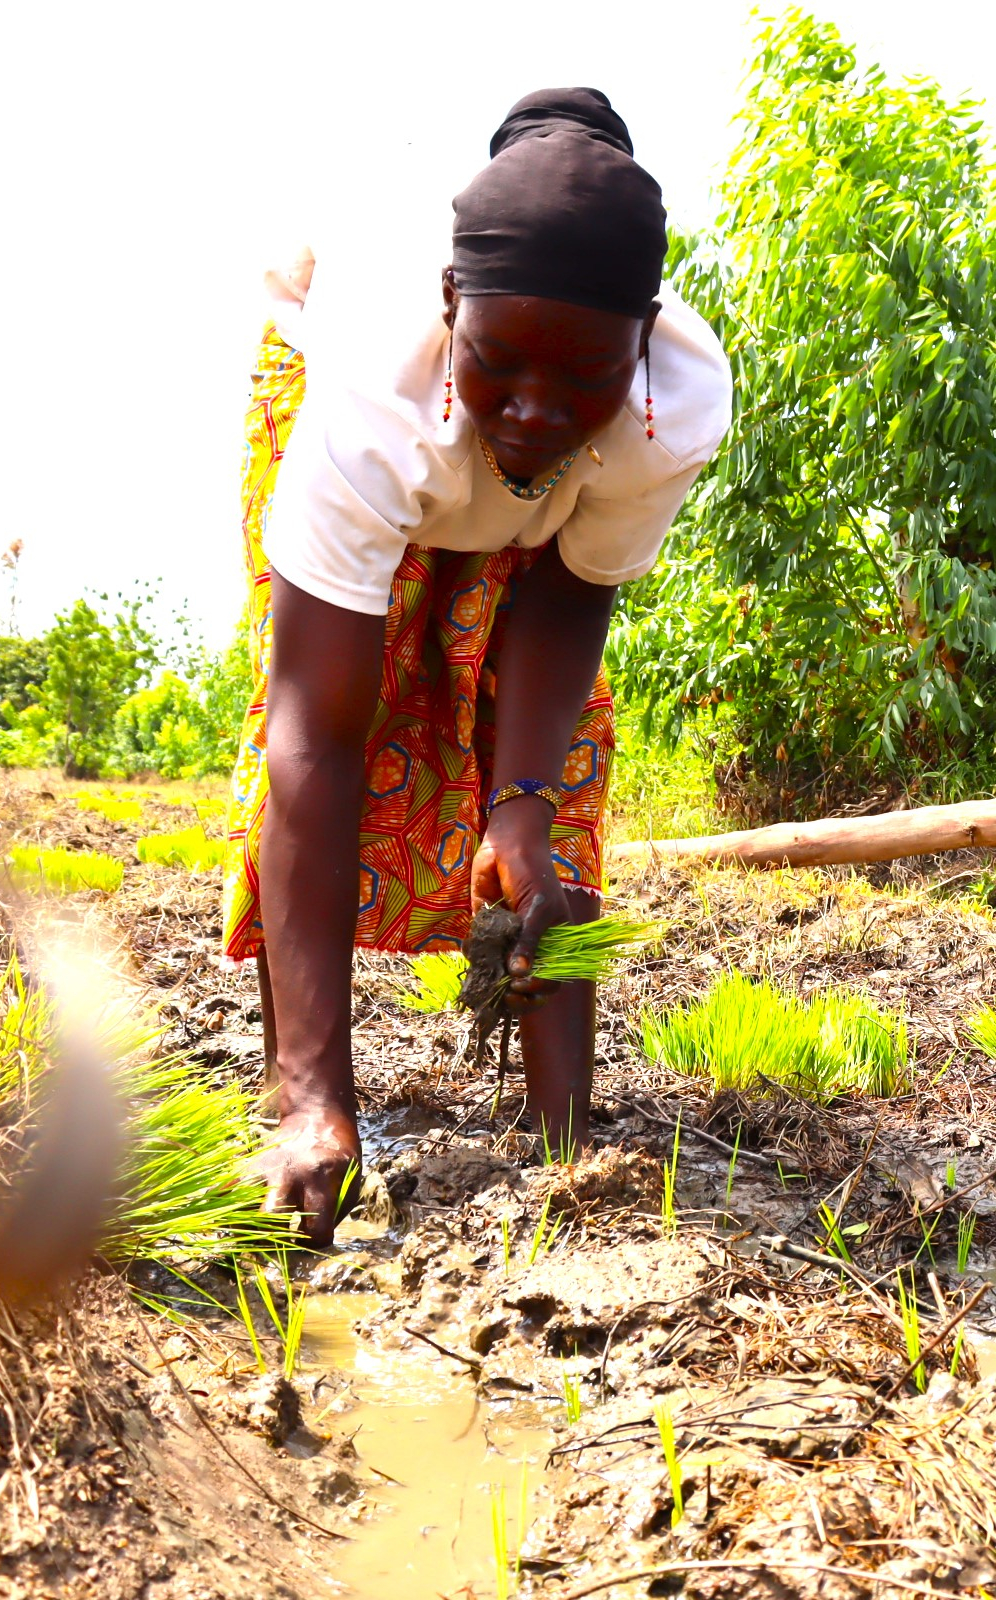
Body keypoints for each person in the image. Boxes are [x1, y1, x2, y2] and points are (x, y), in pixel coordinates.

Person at [227, 89, 733, 1247]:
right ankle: (299, 1091)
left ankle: (563, 1143)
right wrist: (321, 1101)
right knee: (349, 709)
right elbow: (320, 732)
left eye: (583, 379)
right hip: (362, 427)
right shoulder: (370, 398)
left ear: (643, 340)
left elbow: (564, 597)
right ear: (454, 306)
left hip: (513, 505)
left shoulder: (673, 407)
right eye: (502, 366)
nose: (540, 411)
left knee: (562, 773)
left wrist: (518, 804)